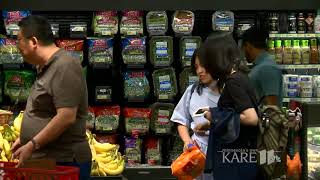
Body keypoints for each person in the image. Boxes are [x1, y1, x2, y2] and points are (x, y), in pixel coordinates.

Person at [11, 15, 91, 179]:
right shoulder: (46, 67)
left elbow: (66, 116)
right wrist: (26, 138)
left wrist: (33, 144)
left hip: (64, 162)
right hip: (47, 160)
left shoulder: (65, 65)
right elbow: (47, 111)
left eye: (19, 40)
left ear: (33, 42)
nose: (16, 45)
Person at [195, 32, 259, 180]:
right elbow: (237, 112)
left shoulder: (233, 82)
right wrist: (215, 114)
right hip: (241, 157)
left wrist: (215, 116)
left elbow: (251, 118)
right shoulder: (240, 77)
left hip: (235, 160)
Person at [170, 48, 220, 180]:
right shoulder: (192, 90)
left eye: (203, 66)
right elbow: (180, 120)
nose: (199, 71)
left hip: (219, 150)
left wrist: (210, 125)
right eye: (196, 67)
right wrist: (187, 142)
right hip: (196, 151)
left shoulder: (228, 90)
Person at [242, 27, 283, 106]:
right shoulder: (261, 66)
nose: (243, 52)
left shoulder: (267, 68)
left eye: (243, 48)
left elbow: (271, 106)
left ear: (248, 45)